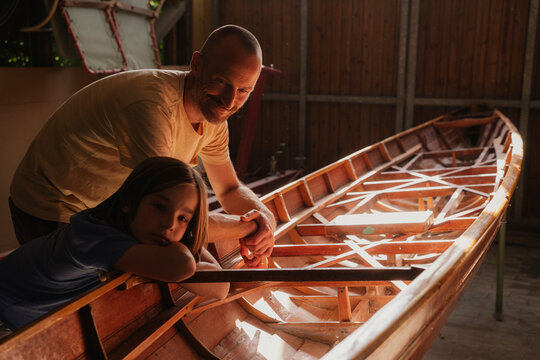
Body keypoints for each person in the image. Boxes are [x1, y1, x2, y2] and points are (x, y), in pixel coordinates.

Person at [9, 24, 275, 267]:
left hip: (102, 210)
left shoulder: (214, 118)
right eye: (221, 82)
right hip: (52, 206)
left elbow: (228, 189)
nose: (229, 102)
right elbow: (165, 218)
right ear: (196, 64)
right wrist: (250, 227)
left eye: (243, 91)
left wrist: (265, 219)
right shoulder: (153, 108)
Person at [0, 157, 231, 331]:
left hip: (25, 319)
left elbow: (221, 288)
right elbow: (183, 267)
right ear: (129, 203)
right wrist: (182, 240)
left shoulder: (136, 235)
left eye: (183, 218)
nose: (169, 224)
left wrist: (186, 237)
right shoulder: (96, 238)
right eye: (159, 207)